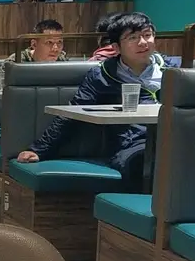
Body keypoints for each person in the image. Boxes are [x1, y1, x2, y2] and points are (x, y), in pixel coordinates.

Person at [17, 12, 175, 186]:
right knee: (149, 163)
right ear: (116, 48)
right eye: (133, 37)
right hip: (134, 146)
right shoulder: (103, 75)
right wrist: (39, 149)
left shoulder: (174, 70)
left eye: (147, 35)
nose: (143, 42)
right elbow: (73, 113)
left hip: (176, 139)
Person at [0, 19, 68, 89]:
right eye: (49, 42)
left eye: (59, 42)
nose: (56, 48)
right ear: (34, 44)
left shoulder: (62, 60)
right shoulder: (18, 59)